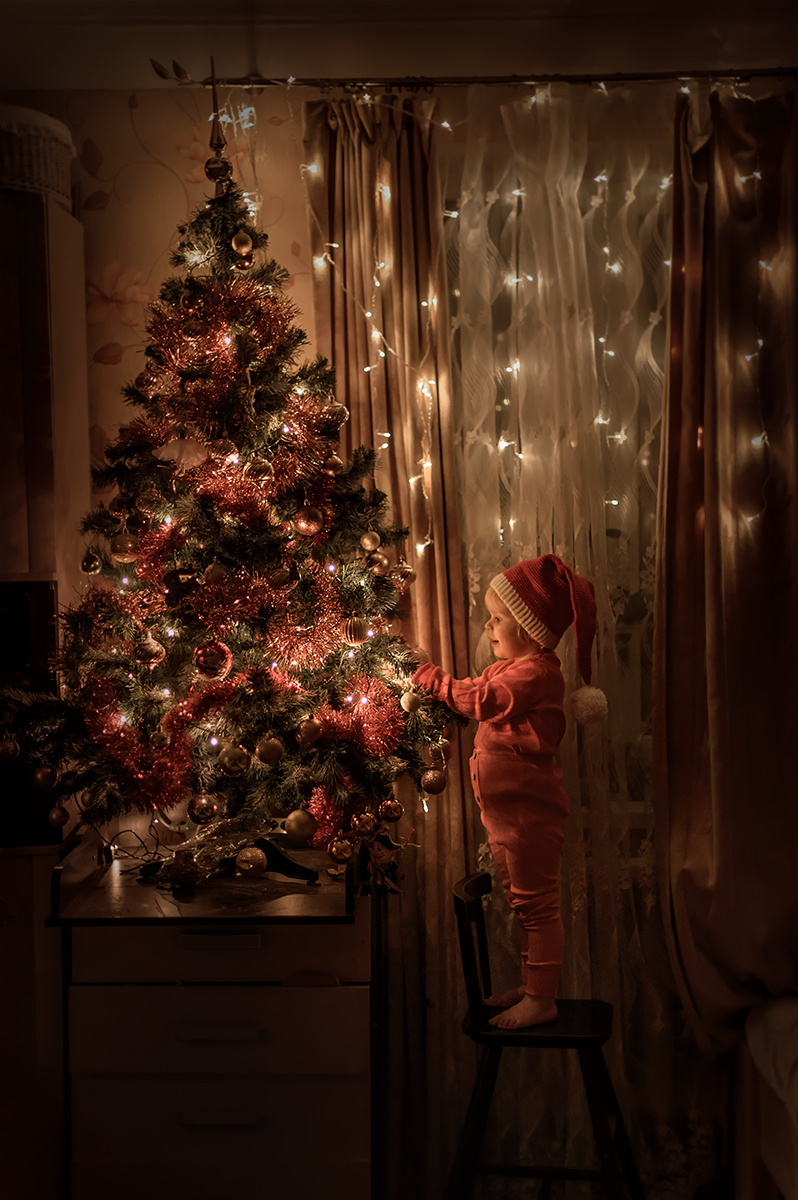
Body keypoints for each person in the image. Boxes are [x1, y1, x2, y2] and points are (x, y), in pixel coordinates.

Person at [412, 553, 606, 1029]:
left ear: (531, 629)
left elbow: (482, 700)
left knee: (536, 904)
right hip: (506, 814)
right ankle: (531, 984)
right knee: (522, 902)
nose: (488, 626)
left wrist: (431, 677)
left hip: (528, 814)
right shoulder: (507, 668)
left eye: (498, 618)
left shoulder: (536, 673)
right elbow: (478, 687)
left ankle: (542, 998)